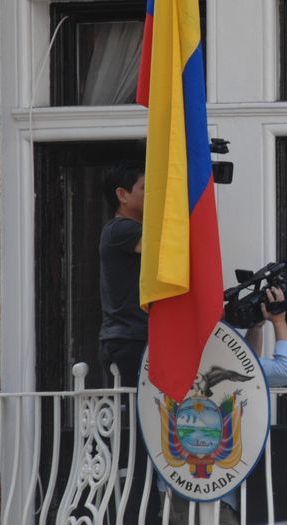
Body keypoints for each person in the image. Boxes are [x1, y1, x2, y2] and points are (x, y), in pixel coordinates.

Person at [164, 287, 287, 525]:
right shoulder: (222, 358)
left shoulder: (171, 352)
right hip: (215, 489)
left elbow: (248, 367)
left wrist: (255, 326)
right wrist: (278, 320)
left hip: (175, 481)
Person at [97, 160, 163, 523]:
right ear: (122, 196)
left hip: (139, 339)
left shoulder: (130, 227)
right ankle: (137, 513)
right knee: (140, 436)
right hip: (129, 342)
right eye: (144, 189)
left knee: (148, 431)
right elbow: (162, 246)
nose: (150, 195)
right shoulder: (122, 229)